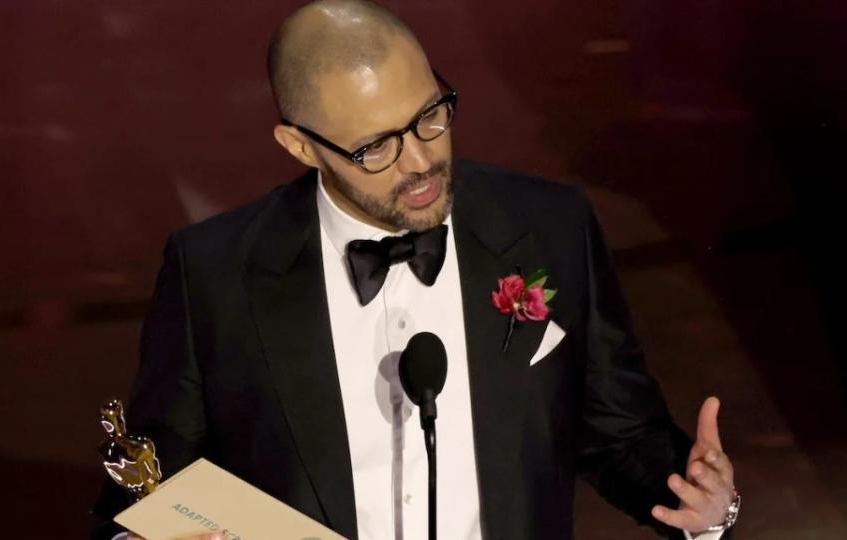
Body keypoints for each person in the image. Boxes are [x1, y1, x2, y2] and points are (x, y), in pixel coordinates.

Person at [92, 1, 738, 539]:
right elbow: (145, 486)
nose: (421, 163)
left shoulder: (548, 227)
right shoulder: (214, 273)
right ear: (301, 146)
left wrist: (704, 503)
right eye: (375, 146)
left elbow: (621, 433)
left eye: (431, 116)